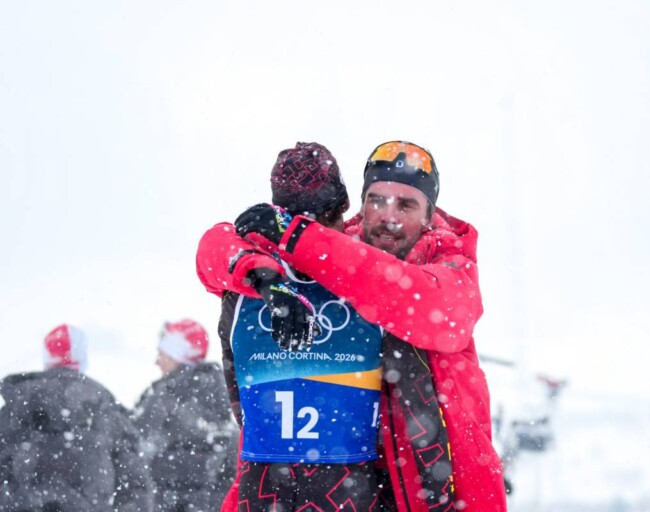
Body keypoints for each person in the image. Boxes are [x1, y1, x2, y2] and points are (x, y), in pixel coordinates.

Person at [199, 141, 507, 511]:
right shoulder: (331, 250)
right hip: (350, 488)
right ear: (358, 204)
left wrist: (296, 235)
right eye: (377, 201)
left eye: (406, 205)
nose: (389, 217)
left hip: (435, 493)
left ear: (430, 214)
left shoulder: (450, 267)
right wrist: (262, 274)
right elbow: (215, 246)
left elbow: (411, 298)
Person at [197, 142, 390, 511]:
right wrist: (266, 279)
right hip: (337, 490)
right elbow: (213, 246)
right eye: (300, 220)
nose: (311, 236)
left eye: (318, 220)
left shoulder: (373, 268)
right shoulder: (250, 281)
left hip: (279, 490)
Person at [0, 324, 152, 511]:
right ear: (81, 357)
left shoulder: (18, 405)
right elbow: (134, 481)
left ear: (47, 356)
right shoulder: (103, 406)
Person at [131, 319, 239, 512]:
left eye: (162, 354)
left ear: (177, 356)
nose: (157, 361)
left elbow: (133, 442)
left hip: (166, 502)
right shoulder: (219, 393)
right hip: (211, 504)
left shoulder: (165, 395)